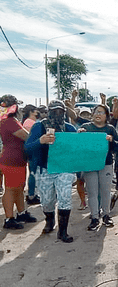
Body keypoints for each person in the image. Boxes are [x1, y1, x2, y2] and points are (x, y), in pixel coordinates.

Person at [25, 100, 77, 242]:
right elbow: (27, 147)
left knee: (65, 198)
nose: (57, 114)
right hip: (44, 168)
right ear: (48, 112)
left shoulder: (69, 128)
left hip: (64, 169)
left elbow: (77, 148)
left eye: (60, 111)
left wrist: (79, 136)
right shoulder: (38, 127)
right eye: (54, 111)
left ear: (64, 112)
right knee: (47, 200)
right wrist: (40, 141)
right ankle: (49, 221)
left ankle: (63, 232)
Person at [79, 104, 118, 230]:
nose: (98, 114)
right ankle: (94, 217)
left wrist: (111, 140)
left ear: (106, 116)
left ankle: (106, 215)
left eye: (101, 112)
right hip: (90, 164)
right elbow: (78, 145)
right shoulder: (86, 127)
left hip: (106, 163)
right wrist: (79, 135)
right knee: (92, 192)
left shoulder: (110, 128)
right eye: (96, 112)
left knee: (105, 191)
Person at [0, 95, 37, 229]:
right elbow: (26, 137)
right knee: (10, 189)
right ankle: (9, 218)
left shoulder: (8, 120)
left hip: (16, 159)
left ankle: (21, 212)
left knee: (19, 188)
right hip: (12, 160)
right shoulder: (9, 121)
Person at [22, 104, 41, 206]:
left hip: (34, 151)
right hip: (34, 151)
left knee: (33, 173)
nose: (37, 112)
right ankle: (31, 195)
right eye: (35, 110)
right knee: (33, 173)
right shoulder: (30, 123)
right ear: (31, 111)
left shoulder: (30, 122)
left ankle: (32, 194)